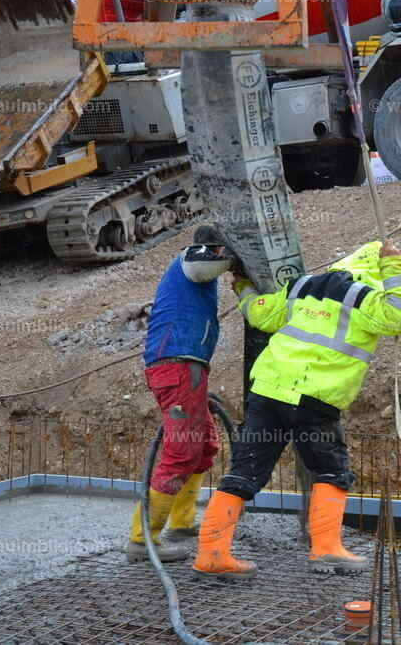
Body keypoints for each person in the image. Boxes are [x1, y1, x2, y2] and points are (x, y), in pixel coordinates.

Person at [192, 240, 401, 580]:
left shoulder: (302, 286)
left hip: (267, 391)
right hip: (313, 396)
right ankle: (326, 549)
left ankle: (211, 553)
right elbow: (400, 316)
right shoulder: (365, 296)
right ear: (377, 268)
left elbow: (261, 314)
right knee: (330, 470)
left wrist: (243, 287)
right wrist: (396, 269)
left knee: (245, 471)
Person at [125, 225, 236, 562]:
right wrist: (239, 261)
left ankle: (182, 522)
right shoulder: (190, 262)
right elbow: (201, 260)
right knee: (181, 450)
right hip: (176, 365)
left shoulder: (197, 280)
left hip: (188, 366)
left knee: (203, 446)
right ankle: (142, 540)